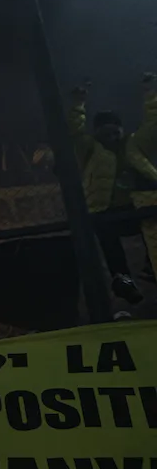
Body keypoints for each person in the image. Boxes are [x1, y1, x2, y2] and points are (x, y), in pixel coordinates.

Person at [69, 77, 157, 304]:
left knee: (152, 228)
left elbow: (153, 124)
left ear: (121, 130)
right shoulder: (90, 150)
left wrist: (150, 94)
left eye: (114, 133)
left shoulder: (133, 144)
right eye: (105, 134)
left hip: (137, 203)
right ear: (97, 133)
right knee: (111, 245)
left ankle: (150, 266)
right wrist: (78, 104)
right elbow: (74, 132)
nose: (111, 138)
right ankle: (123, 281)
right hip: (105, 209)